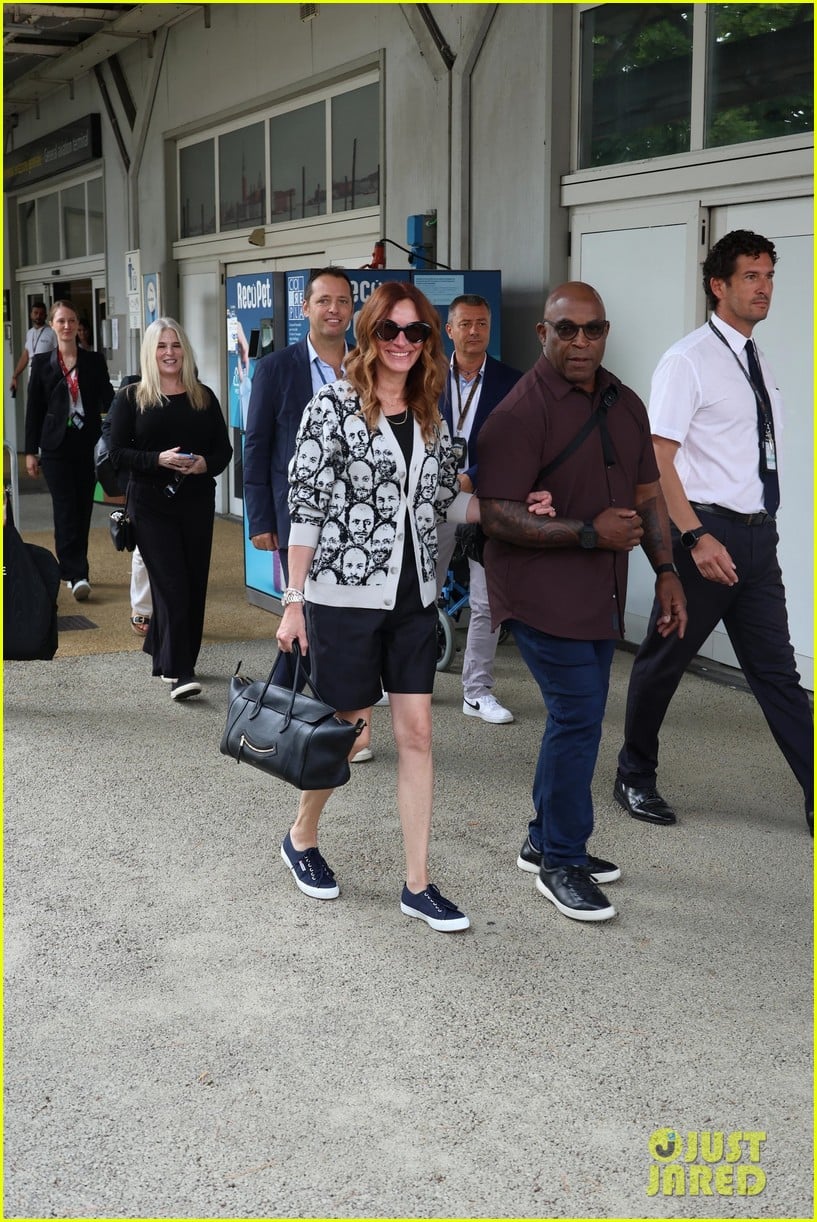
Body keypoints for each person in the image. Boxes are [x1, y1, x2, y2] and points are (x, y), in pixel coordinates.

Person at [275, 282, 489, 932]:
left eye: (414, 331)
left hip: (413, 598)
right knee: (347, 732)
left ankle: (417, 883)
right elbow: (306, 508)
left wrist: (511, 509)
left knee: (417, 734)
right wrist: (293, 600)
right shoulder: (333, 406)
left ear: (427, 340)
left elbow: (443, 502)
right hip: (343, 599)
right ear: (369, 335)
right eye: (389, 330)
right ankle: (301, 836)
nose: (402, 342)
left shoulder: (429, 414)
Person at [478, 282, 687, 923]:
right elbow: (496, 515)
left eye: (592, 329)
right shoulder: (518, 413)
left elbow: (648, 494)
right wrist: (590, 533)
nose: (580, 342)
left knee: (579, 716)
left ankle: (545, 839)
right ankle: (562, 861)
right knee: (578, 715)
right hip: (539, 591)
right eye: (565, 329)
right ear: (543, 333)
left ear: (605, 332)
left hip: (600, 592)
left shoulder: (624, 402)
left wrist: (667, 571)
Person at [615, 229, 814, 834]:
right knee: (663, 663)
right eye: (751, 276)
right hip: (703, 535)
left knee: (778, 674)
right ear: (718, 285)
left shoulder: (757, 361)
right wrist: (695, 537)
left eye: (769, 276)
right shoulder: (689, 359)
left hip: (757, 541)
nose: (764, 287)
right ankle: (634, 775)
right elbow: (658, 458)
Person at [243, 267, 380, 760]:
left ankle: (291, 714)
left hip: (358, 523)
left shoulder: (368, 365)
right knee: (306, 613)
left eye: (343, 301)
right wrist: (261, 519)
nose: (334, 310)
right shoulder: (276, 368)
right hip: (297, 517)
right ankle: (305, 718)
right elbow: (257, 445)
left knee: (336, 621)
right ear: (305, 308)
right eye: (324, 300)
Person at [107, 318, 232, 700]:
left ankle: (164, 652)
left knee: (192, 584)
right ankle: (181, 672)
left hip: (196, 501)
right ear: (150, 352)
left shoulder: (202, 396)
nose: (169, 353)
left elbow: (223, 450)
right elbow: (116, 453)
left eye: (175, 345)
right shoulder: (132, 397)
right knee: (172, 584)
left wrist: (204, 464)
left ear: (185, 350)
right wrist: (156, 459)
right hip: (150, 503)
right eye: (161, 346)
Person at [435, 293, 522, 724]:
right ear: (449, 329)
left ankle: (477, 691)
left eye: (482, 324)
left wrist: (473, 475)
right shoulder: (425, 375)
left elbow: (519, 445)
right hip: (432, 497)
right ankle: (402, 679)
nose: (474, 331)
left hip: (485, 496)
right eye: (465, 324)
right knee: (419, 592)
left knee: (487, 598)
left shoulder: (512, 382)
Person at [24, 300, 114, 600]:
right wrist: (30, 451)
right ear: (52, 325)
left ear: (78, 325)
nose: (67, 326)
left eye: (71, 320)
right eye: (61, 321)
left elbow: (109, 401)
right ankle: (77, 573)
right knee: (64, 509)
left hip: (86, 444)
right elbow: (34, 410)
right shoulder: (42, 363)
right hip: (55, 447)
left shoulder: (94, 361)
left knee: (82, 507)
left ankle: (73, 568)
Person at [10, 302, 57, 396]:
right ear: (31, 314)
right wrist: (15, 376)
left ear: (45, 316)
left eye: (41, 314)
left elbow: (59, 354)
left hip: (47, 380)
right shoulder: (29, 333)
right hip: (32, 378)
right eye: (35, 313)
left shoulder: (52, 333)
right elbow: (26, 355)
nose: (38, 316)